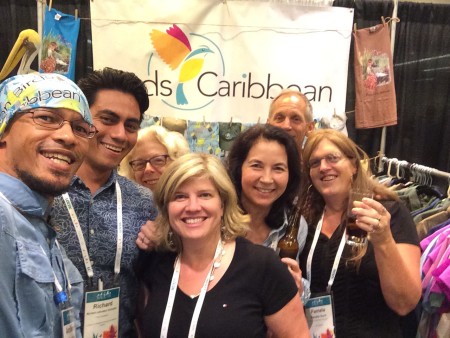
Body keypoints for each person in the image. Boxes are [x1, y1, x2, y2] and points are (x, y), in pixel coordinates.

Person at [135, 153, 310, 337]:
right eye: (180, 196)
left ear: (223, 204)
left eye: (205, 195)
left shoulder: (262, 267)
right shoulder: (156, 262)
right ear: (166, 207)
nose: (193, 206)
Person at [50, 67, 157, 337]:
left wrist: (163, 244)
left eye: (131, 125)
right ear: (82, 119)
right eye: (108, 119)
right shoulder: (45, 191)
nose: (120, 134)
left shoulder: (145, 203)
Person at [298, 129, 421, 337]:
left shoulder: (389, 214)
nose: (324, 167)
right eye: (315, 162)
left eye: (332, 158)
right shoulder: (304, 219)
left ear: (354, 165)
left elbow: (404, 303)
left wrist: (383, 241)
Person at [0, 73, 96, 337]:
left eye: (80, 128)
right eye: (46, 117)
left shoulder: (36, 223)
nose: (68, 136)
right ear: (3, 131)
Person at [226, 124, 307, 288]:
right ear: (238, 168)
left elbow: (297, 287)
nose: (267, 179)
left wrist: (298, 287)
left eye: (278, 168)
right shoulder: (218, 217)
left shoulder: (294, 225)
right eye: (256, 165)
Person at [119, 125, 189, 191]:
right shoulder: (120, 202)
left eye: (158, 160)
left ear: (177, 162)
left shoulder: (194, 201)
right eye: (140, 163)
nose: (148, 169)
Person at [267, 89, 315, 153]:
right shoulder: (251, 161)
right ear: (268, 124)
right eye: (279, 118)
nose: (286, 126)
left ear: (310, 128)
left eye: (296, 119)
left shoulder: (319, 162)